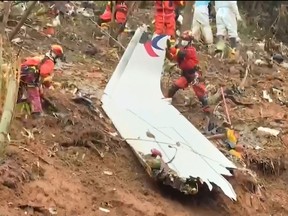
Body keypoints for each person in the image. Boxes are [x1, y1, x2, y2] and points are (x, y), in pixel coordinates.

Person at [164, 31, 210, 113]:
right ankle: (167, 98)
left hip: (193, 74)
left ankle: (206, 108)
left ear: (189, 41)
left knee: (200, 93)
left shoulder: (191, 50)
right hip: (185, 74)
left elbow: (180, 53)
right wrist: (169, 48)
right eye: (182, 39)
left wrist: (173, 49)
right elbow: (174, 53)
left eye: (185, 39)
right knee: (175, 86)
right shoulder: (181, 48)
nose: (183, 41)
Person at [18, 45, 64, 117]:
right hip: (30, 74)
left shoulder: (42, 58)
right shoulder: (49, 62)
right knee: (34, 92)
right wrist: (47, 84)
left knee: (20, 89)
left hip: (22, 71)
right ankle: (37, 112)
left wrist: (40, 89)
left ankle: (17, 102)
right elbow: (43, 73)